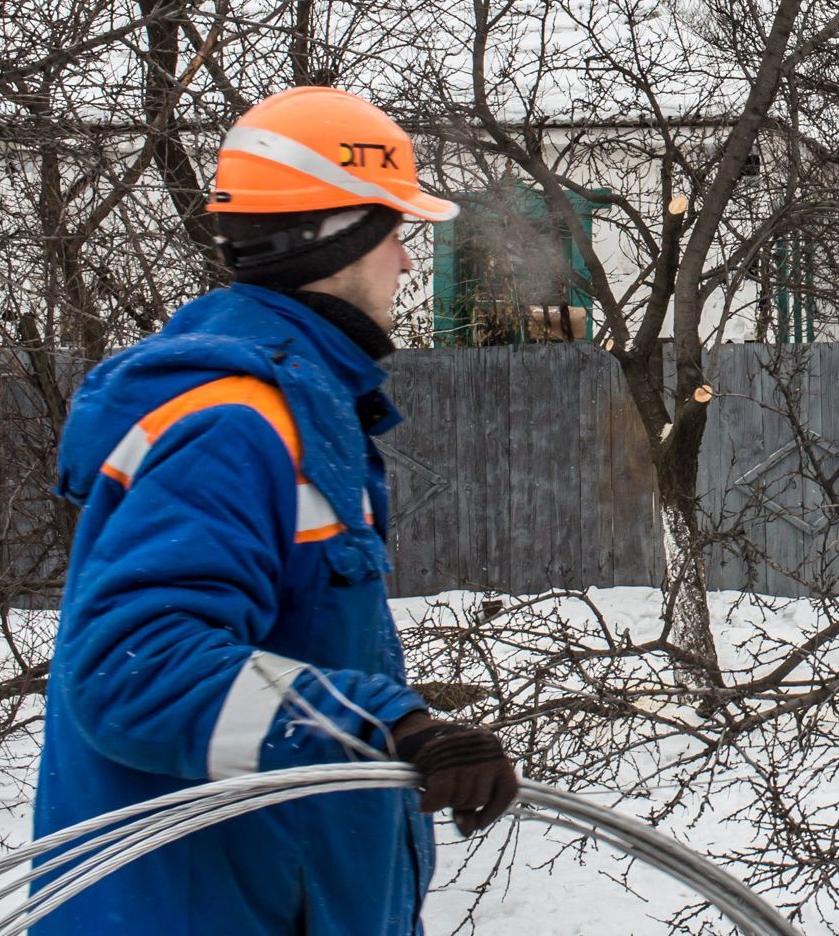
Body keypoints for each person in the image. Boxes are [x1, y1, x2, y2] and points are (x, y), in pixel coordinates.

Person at [34, 87, 520, 935]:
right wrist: (383, 724)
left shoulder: (293, 406)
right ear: (337, 239)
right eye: (394, 233)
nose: (406, 263)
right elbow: (132, 670)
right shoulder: (236, 425)